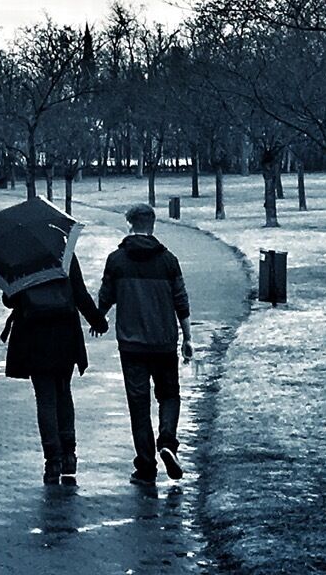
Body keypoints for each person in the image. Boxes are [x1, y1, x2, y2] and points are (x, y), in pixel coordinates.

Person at [96, 202, 192, 484]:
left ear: (130, 225)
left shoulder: (117, 260)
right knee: (169, 394)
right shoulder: (168, 260)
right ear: (152, 225)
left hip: (131, 344)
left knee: (138, 405)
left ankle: (146, 467)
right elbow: (181, 301)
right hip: (164, 341)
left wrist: (97, 319)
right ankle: (167, 440)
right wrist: (188, 337)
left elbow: (105, 296)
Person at [1, 252, 107, 485]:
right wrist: (97, 320)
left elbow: (10, 299)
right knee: (63, 391)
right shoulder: (64, 252)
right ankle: (69, 454)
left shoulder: (19, 256)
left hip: (34, 335)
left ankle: (52, 460)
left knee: (45, 398)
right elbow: (79, 293)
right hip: (64, 332)